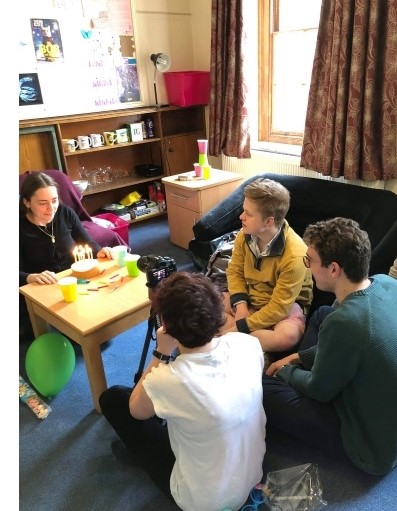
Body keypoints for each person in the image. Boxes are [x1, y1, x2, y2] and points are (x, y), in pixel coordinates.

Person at [99, 272, 266, 511]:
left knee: (114, 398)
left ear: (166, 326)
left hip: (203, 502)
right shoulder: (248, 344)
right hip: (252, 476)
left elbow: (135, 411)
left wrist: (161, 352)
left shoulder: (168, 379)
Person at [263, 217, 397, 476]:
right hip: (382, 411)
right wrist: (296, 357)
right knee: (323, 312)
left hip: (370, 448)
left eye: (309, 261)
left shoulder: (346, 322)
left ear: (334, 269)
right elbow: (352, 344)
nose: (307, 267)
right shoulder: (386, 282)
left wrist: (283, 370)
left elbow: (318, 390)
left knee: (260, 386)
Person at [220, 178, 313, 353]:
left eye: (248, 213)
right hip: (249, 298)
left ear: (268, 222)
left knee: (287, 336)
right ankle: (249, 339)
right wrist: (241, 306)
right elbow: (234, 271)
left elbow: (279, 308)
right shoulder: (244, 235)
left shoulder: (295, 255)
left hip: (284, 308)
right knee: (201, 308)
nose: (241, 216)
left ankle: (231, 339)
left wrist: (239, 327)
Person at [19, 172, 112, 340]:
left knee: (99, 335)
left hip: (73, 285)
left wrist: (100, 250)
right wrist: (31, 277)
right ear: (27, 202)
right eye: (42, 203)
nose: (51, 208)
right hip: (41, 291)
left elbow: (89, 243)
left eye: (54, 201)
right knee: (32, 334)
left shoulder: (65, 213)